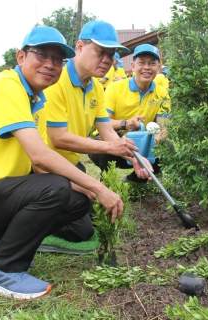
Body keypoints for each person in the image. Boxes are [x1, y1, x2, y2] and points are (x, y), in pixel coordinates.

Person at [0, 26, 124, 300]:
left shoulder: (34, 99)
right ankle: (2, 270)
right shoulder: (6, 85)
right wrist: (99, 187)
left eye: (58, 60)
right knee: (57, 187)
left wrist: (84, 188)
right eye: (41, 55)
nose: (50, 65)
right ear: (21, 56)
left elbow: (37, 167)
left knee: (75, 199)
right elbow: (41, 155)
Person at [43, 20, 151, 241]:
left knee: (94, 214)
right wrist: (111, 146)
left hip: (70, 164)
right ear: (80, 47)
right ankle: (28, 232)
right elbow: (58, 139)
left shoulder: (95, 87)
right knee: (81, 230)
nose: (107, 61)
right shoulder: (56, 80)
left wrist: (136, 157)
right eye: (100, 52)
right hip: (44, 166)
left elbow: (108, 132)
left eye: (111, 55)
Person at [89, 44, 171, 183]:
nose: (146, 67)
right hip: (114, 139)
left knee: (167, 147)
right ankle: (108, 183)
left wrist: (150, 143)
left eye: (152, 63)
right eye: (142, 62)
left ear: (158, 68)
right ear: (133, 66)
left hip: (142, 143)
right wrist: (125, 124)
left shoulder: (162, 93)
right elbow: (103, 123)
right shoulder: (115, 88)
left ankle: (134, 181)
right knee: (104, 147)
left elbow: (163, 129)